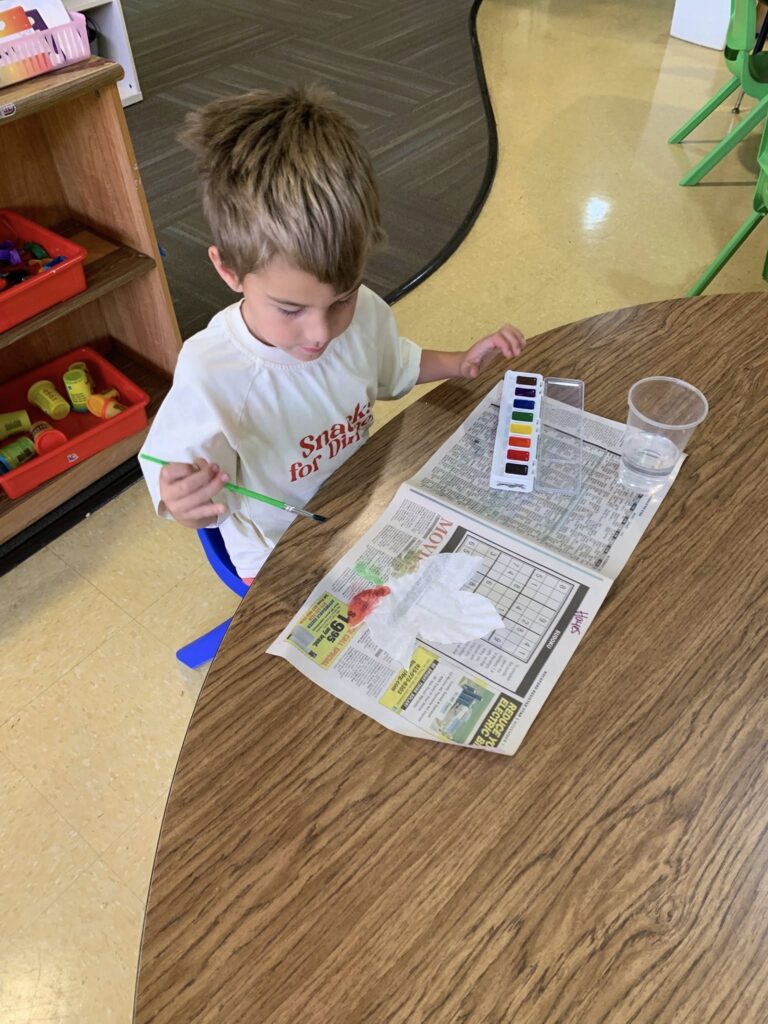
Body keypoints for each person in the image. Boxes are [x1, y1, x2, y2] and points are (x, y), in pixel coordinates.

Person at [140, 86, 526, 583]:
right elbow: (176, 476)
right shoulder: (212, 369)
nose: (321, 332)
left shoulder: (365, 314)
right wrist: (182, 501)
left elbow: (392, 366)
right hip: (276, 552)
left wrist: (459, 363)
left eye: (342, 297)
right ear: (229, 271)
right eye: (290, 309)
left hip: (360, 505)